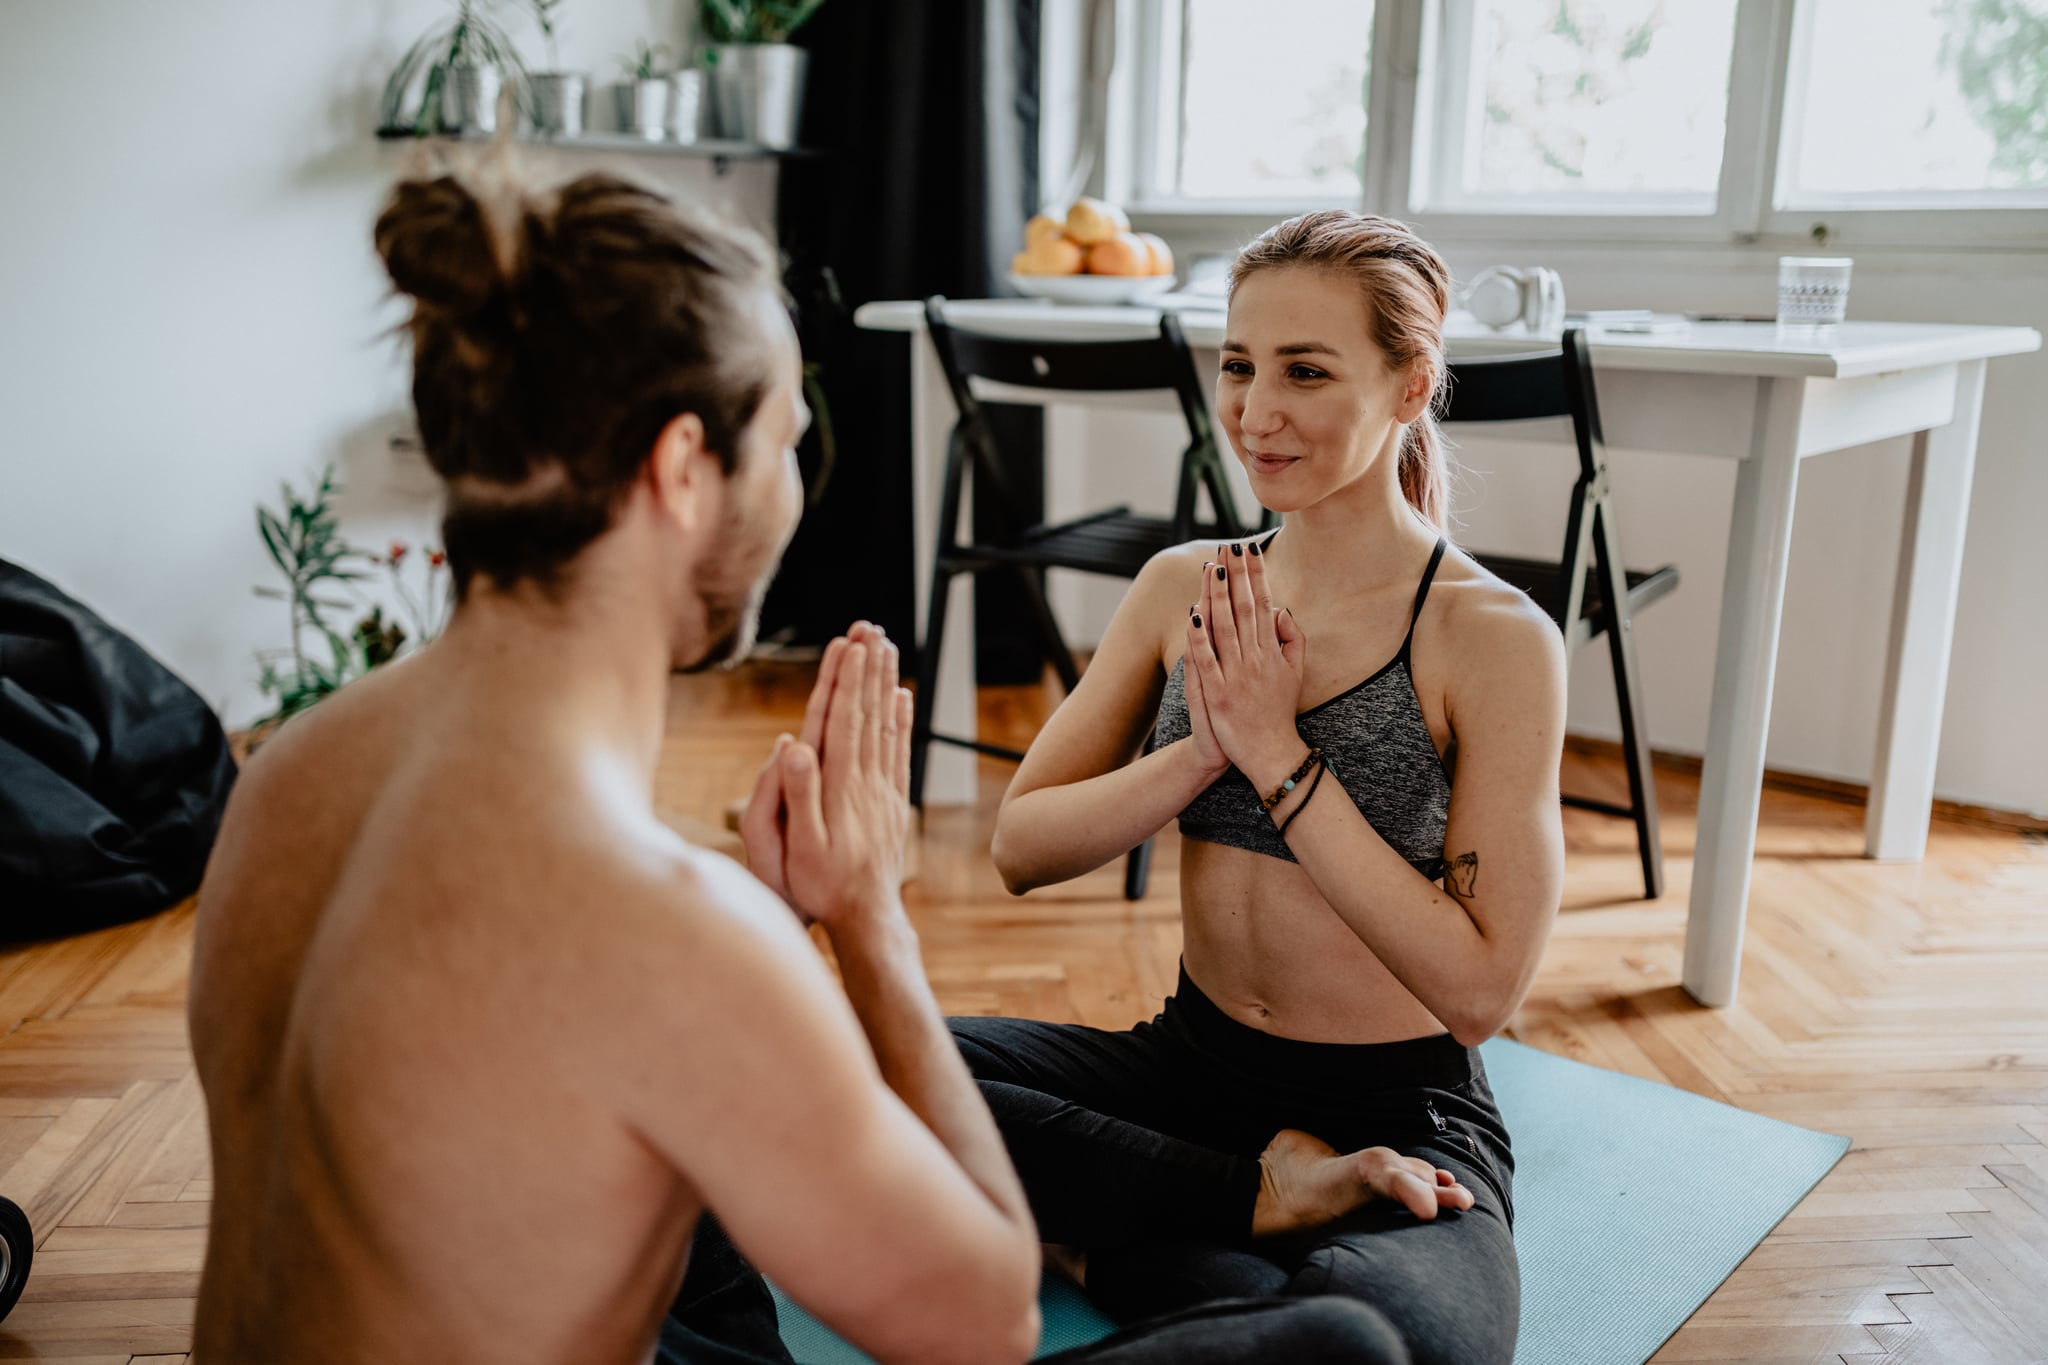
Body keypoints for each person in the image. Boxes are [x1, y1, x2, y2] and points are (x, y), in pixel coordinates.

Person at [184, 156, 1046, 1365]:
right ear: (683, 468)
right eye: (788, 440)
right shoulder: (660, 931)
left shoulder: (291, 774)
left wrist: (758, 931)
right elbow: (989, 1327)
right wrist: (867, 918)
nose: (794, 488)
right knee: (1344, 1334)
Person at [953, 209, 1569, 1365]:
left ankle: (1123, 1234)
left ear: (1406, 388)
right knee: (857, 1059)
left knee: (1381, 1345)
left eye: (1304, 371)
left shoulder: (1489, 638)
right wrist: (1201, 747)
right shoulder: (1182, 584)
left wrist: (1278, 755)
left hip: (1398, 1112)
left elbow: (1480, 990)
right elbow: (1021, 848)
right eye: (1238, 365)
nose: (1255, 410)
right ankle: (1247, 1197)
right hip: (1185, 1070)